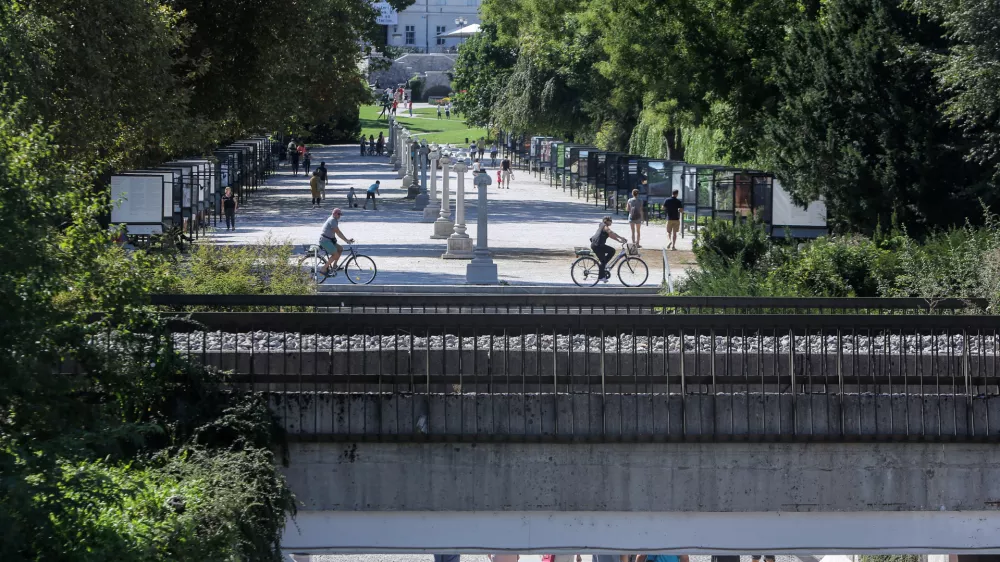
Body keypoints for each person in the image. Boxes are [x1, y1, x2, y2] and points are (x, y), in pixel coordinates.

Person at [591, 215, 628, 282]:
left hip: (598, 245)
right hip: (597, 246)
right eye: (611, 221)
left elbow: (611, 235)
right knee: (603, 261)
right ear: (607, 221)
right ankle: (601, 277)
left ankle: (604, 265)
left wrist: (619, 240)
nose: (611, 222)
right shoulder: (604, 226)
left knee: (612, 251)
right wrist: (621, 237)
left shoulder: (602, 225)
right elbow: (610, 232)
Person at [318, 208, 354, 276]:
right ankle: (323, 269)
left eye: (340, 214)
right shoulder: (332, 220)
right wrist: (346, 240)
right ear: (334, 213)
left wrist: (347, 239)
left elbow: (338, 232)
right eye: (338, 214)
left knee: (340, 249)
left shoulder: (334, 220)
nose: (339, 216)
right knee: (335, 255)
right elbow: (338, 232)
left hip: (329, 240)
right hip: (325, 241)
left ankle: (334, 266)